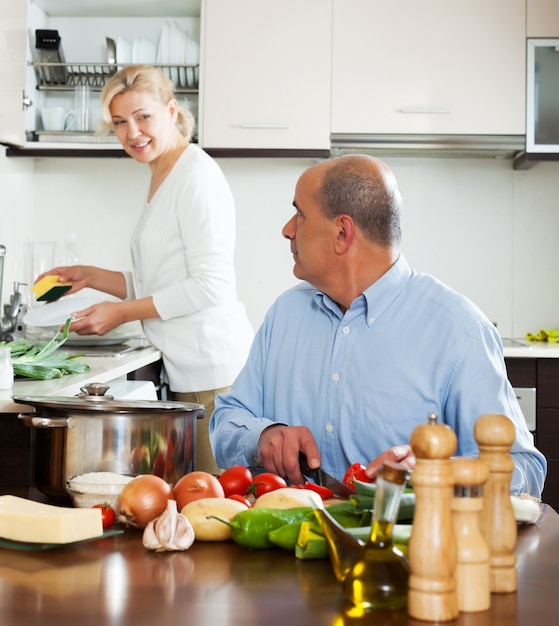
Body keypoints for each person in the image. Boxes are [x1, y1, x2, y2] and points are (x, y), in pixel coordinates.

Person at [209, 154, 547, 498]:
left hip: (405, 548)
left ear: (342, 233)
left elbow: (526, 470)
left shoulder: (459, 330)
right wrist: (263, 436)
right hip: (285, 544)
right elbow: (225, 420)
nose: (287, 229)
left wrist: (444, 472)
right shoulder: (284, 315)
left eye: (300, 214)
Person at [38, 65, 254, 474]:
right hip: (189, 367)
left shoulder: (196, 178)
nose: (132, 132)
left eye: (143, 117)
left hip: (215, 372)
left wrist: (119, 313)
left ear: (172, 111)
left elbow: (210, 286)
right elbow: (163, 281)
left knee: (218, 502)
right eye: (120, 122)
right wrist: (90, 276)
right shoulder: (163, 174)